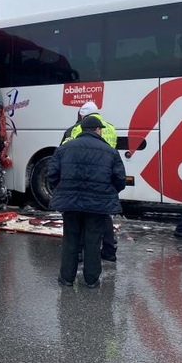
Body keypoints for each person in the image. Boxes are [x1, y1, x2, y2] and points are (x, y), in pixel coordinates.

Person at [48, 115, 126, 288]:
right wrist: (107, 192)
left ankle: (66, 278)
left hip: (70, 203)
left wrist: (62, 191)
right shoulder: (110, 152)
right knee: (93, 240)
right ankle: (91, 280)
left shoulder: (64, 148)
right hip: (97, 205)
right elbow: (119, 179)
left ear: (82, 130)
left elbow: (52, 175)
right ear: (98, 130)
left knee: (71, 239)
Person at [62, 101, 119, 261]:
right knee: (104, 215)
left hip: (83, 177)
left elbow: (65, 151)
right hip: (104, 177)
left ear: (82, 115)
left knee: (79, 215)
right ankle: (109, 251)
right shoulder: (111, 128)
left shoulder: (77, 129)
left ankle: (79, 253)